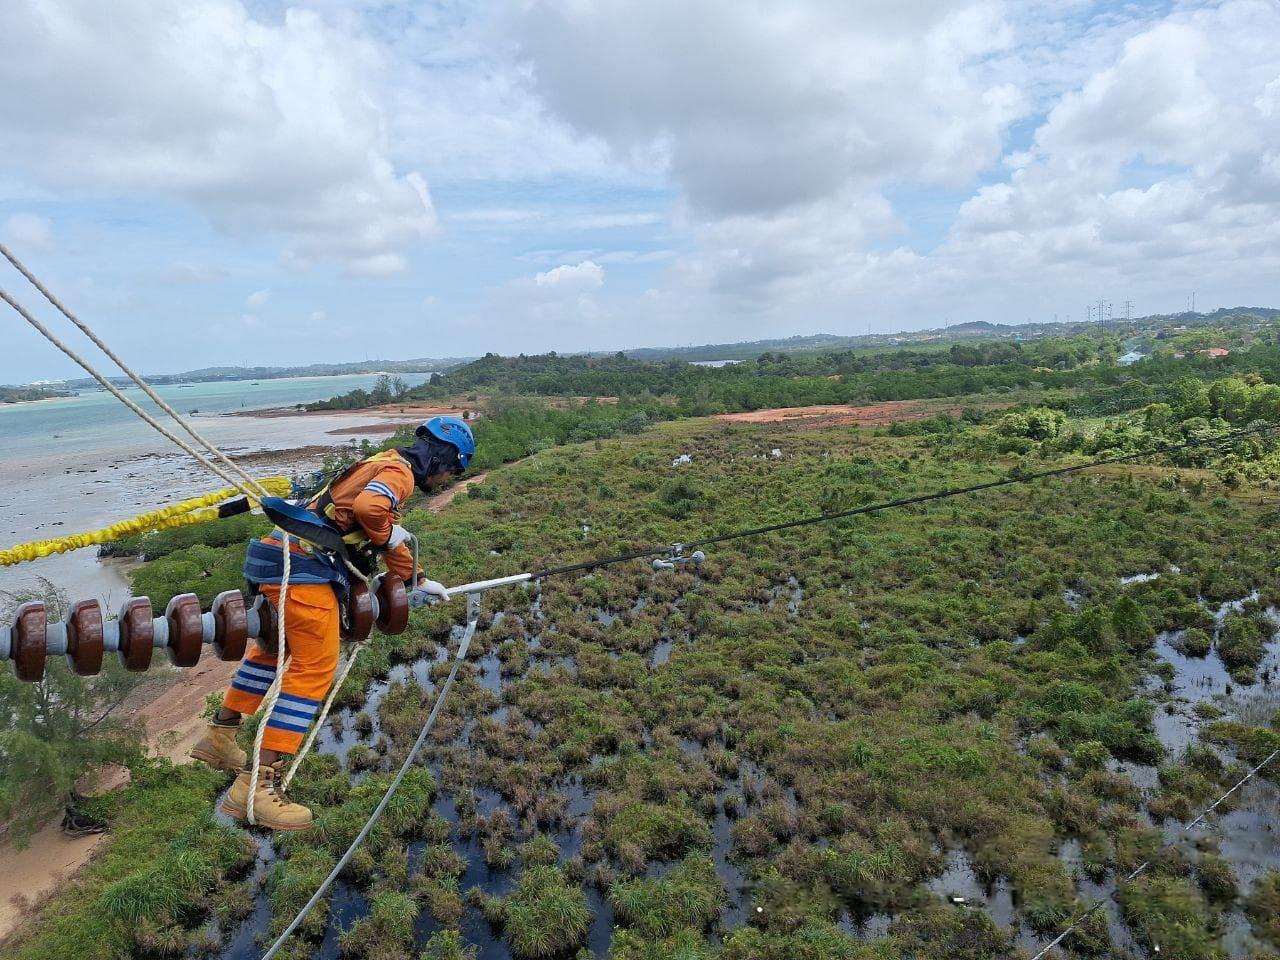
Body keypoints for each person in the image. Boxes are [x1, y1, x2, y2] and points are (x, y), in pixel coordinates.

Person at [190, 416, 476, 830]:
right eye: (453, 470)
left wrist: (417, 578)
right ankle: (257, 787)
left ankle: (220, 735)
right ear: (445, 458)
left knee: (274, 652)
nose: (448, 479)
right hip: (305, 571)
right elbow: (371, 510)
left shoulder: (382, 460)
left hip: (278, 557)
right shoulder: (400, 474)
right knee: (315, 668)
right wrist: (391, 535)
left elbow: (369, 521)